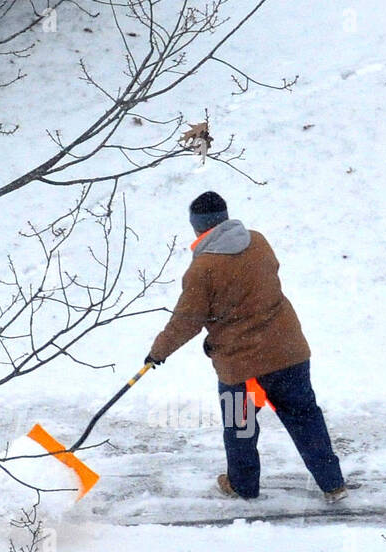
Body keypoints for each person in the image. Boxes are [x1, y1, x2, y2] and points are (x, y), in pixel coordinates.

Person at [145, 191, 348, 502]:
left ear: (198, 228)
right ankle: (333, 485)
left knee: (240, 426)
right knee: (305, 419)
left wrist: (158, 352)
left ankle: (242, 486)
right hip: (288, 353)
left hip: (244, 368)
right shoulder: (259, 242)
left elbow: (186, 321)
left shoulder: (202, 269)